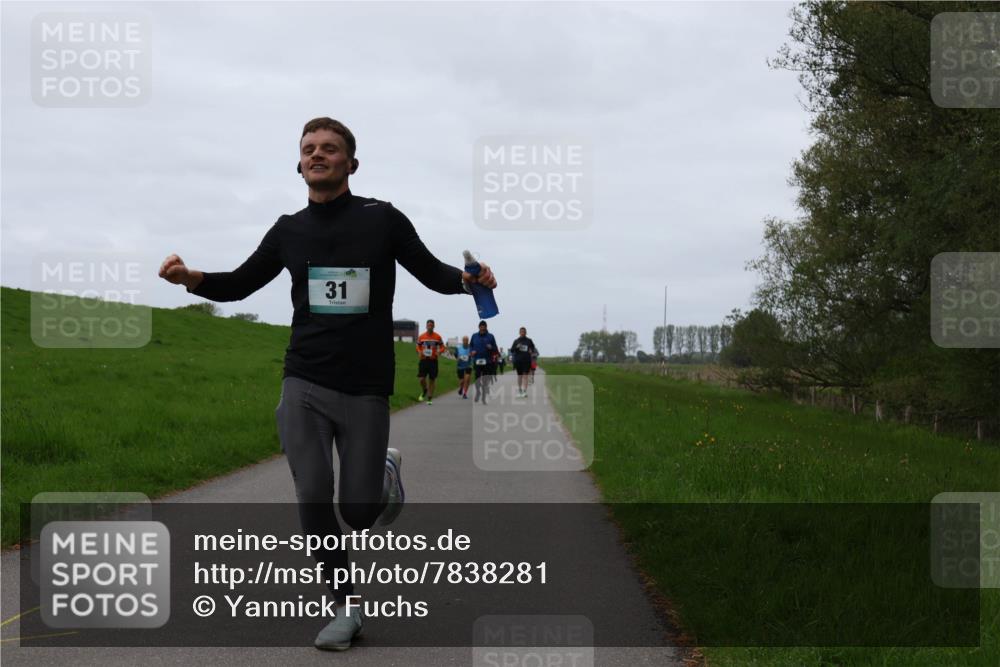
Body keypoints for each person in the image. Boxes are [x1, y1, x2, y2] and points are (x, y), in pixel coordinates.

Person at [157, 117, 496, 651]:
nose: (318, 155)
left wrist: (467, 279)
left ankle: (384, 469)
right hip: (305, 380)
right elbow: (241, 283)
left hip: (365, 385)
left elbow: (433, 272)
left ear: (350, 163)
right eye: (309, 149)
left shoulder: (382, 219)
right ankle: (344, 607)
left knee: (358, 514)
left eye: (330, 149)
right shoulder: (288, 230)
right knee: (312, 494)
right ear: (299, 164)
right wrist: (191, 278)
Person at [469, 320, 498, 405]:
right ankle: (478, 392)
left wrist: (491, 347)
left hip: (487, 361)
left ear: (486, 327)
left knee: (485, 380)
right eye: (481, 326)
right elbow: (471, 346)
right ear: (479, 327)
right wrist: (472, 351)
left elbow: (495, 348)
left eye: (484, 326)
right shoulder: (474, 336)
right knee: (477, 378)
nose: (482, 328)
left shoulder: (490, 336)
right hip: (477, 360)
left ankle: (483, 397)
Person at [416, 319, 444, 405]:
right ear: (426, 326)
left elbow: (442, 347)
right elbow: (417, 346)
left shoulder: (438, 337)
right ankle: (424, 390)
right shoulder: (421, 336)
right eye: (428, 325)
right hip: (424, 360)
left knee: (432, 380)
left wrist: (439, 351)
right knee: (421, 379)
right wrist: (419, 352)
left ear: (434, 326)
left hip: (433, 361)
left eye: (431, 325)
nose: (430, 327)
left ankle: (429, 398)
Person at [511, 327, 538, 397]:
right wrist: (517, 347)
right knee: (519, 376)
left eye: (524, 332)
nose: (523, 333)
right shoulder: (516, 341)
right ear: (519, 332)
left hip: (526, 360)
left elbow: (533, 347)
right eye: (521, 332)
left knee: (525, 376)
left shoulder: (529, 340)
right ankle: (520, 390)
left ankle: (524, 391)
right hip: (518, 361)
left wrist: (531, 350)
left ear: (526, 332)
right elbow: (512, 350)